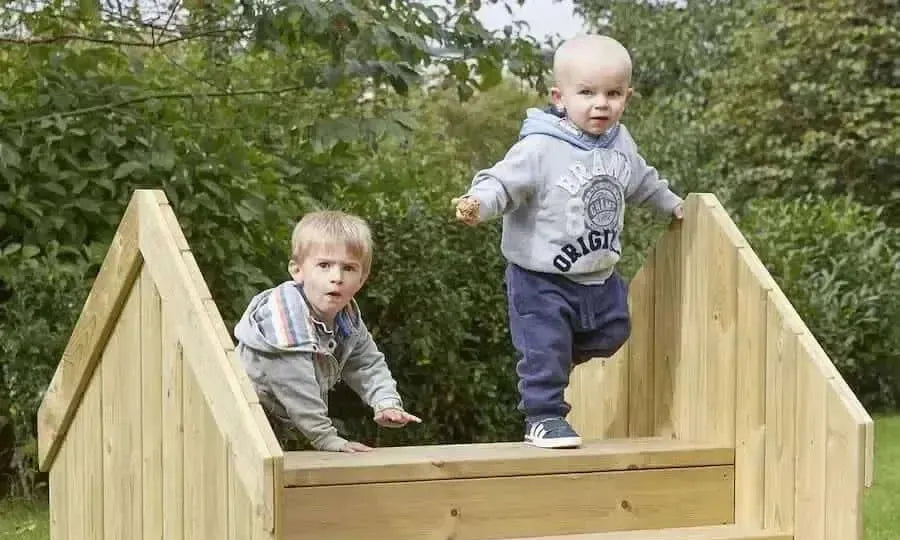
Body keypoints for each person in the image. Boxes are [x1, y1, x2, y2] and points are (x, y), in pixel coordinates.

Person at [453, 34, 683, 449]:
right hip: (540, 280)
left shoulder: (621, 144)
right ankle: (543, 417)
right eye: (587, 93)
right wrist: (478, 203)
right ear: (560, 97)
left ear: (627, 97)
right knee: (545, 351)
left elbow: (643, 181)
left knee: (615, 332)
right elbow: (502, 182)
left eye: (613, 94)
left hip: (599, 275)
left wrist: (675, 205)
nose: (601, 104)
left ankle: (555, 355)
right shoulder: (540, 147)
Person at [234, 210, 420, 452]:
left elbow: (366, 363)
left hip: (276, 420)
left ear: (362, 279)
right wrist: (326, 438)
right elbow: (296, 387)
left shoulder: (346, 318)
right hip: (238, 414)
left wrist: (386, 402)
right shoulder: (284, 319)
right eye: (324, 265)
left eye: (349, 268)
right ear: (297, 270)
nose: (337, 277)